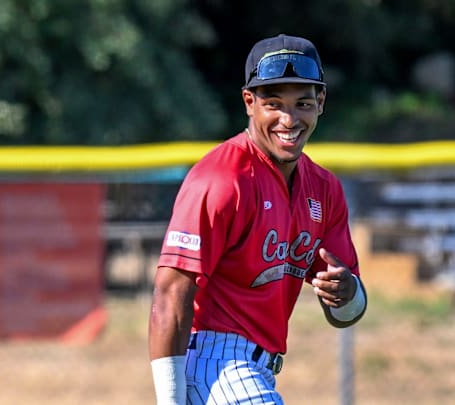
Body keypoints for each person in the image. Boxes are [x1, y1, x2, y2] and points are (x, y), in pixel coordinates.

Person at [148, 33, 367, 405]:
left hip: (258, 368)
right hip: (212, 360)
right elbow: (171, 295)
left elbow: (347, 314)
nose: (289, 118)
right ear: (249, 102)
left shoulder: (324, 189)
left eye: (302, 103)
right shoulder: (221, 178)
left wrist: (345, 291)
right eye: (273, 103)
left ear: (321, 103)